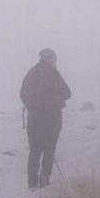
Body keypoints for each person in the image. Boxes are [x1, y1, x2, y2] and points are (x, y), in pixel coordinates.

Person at [20, 48, 71, 189]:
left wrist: (33, 106)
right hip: (52, 118)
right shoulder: (54, 74)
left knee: (34, 151)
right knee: (49, 150)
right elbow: (67, 93)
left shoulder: (31, 73)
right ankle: (44, 180)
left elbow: (22, 94)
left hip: (34, 118)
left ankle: (32, 184)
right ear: (52, 59)